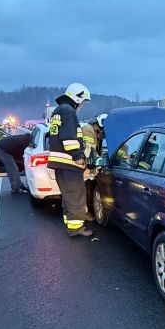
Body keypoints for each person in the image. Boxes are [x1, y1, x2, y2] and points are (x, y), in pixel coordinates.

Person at [47, 83, 93, 237]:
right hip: (69, 163)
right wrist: (78, 156)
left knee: (68, 195)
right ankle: (75, 228)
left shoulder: (58, 111)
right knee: (76, 195)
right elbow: (68, 137)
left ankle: (70, 223)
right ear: (77, 98)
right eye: (83, 101)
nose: (82, 105)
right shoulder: (68, 111)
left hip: (60, 163)